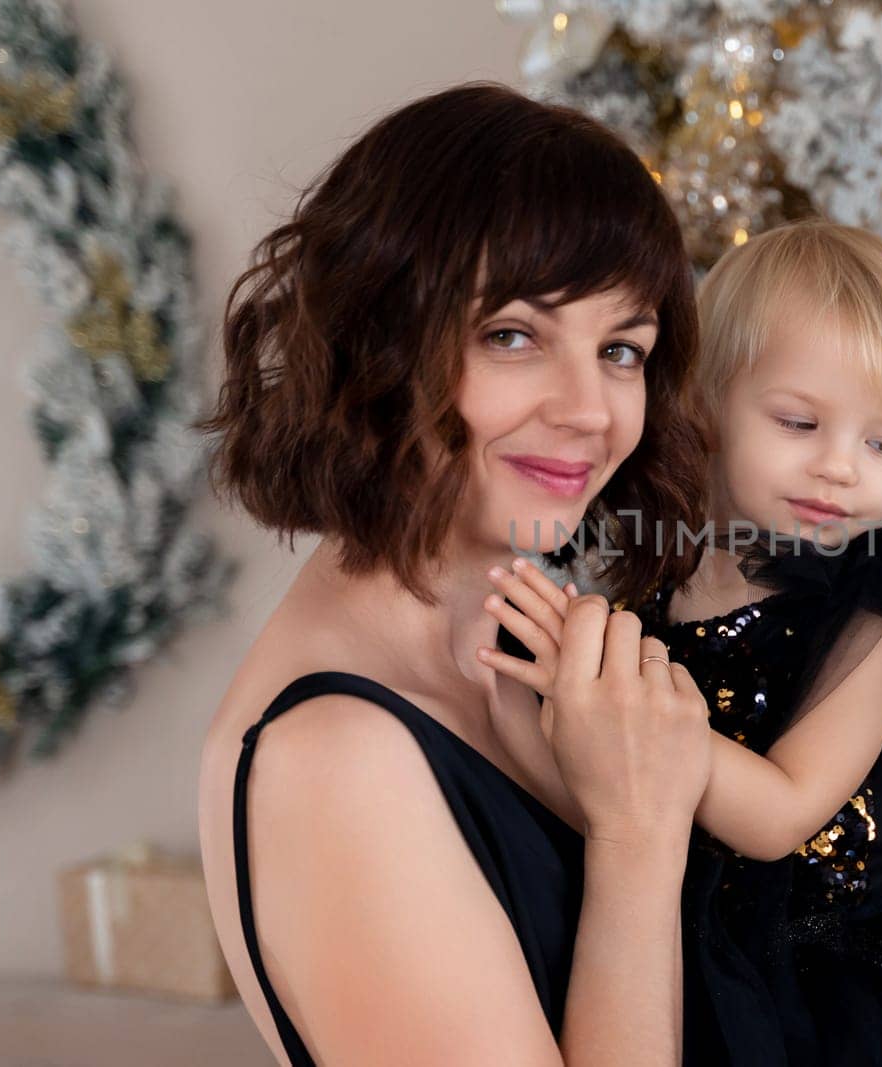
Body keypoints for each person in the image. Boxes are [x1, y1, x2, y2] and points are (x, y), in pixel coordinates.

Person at [480, 220, 882, 1065]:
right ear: (703, 405)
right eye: (798, 423)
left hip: (826, 989)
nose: (841, 468)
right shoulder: (651, 580)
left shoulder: (868, 627)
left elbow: (779, 814)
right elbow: (592, 788)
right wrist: (533, 700)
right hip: (672, 952)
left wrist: (620, 707)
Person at [195, 83, 715, 1066]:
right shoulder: (333, 755)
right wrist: (638, 844)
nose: (589, 409)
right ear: (379, 336)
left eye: (620, 349)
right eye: (512, 334)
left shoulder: (526, 643)